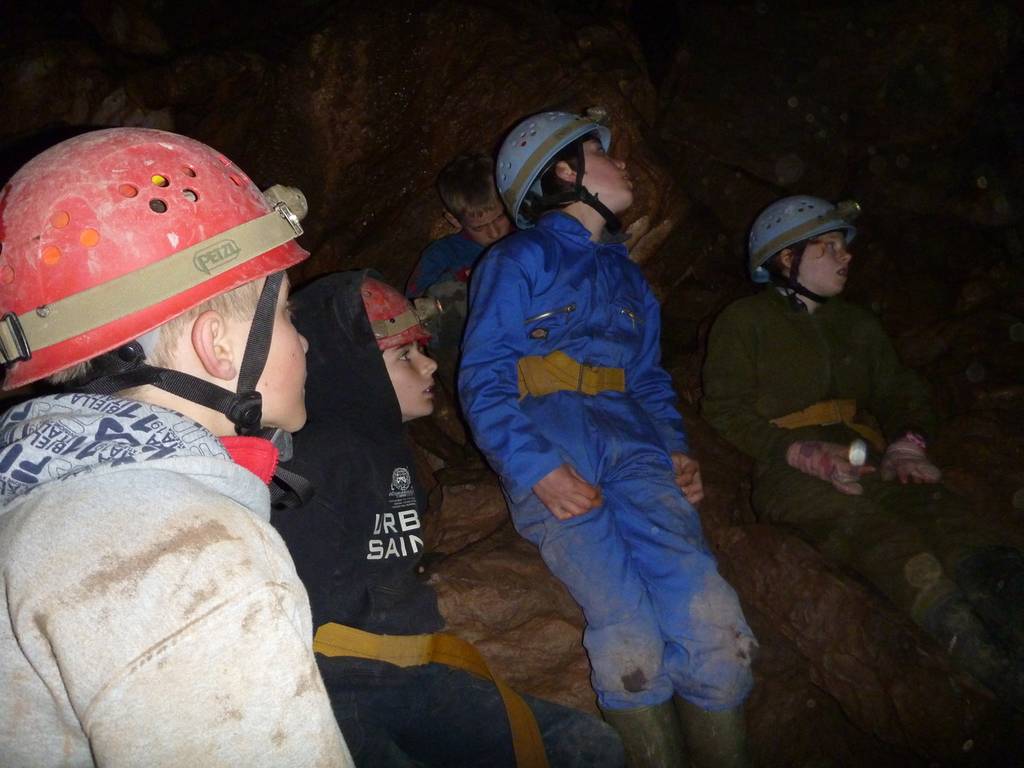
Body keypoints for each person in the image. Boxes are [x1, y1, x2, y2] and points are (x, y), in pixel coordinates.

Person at [0, 128, 352, 766]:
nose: (303, 344)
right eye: (286, 317)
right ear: (216, 346)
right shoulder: (197, 560)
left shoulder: (34, 492)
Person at [459, 110, 757, 767]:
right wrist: (535, 466)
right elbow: (482, 376)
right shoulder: (516, 258)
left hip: (633, 440)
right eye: (602, 152)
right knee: (627, 626)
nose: (623, 163)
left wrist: (675, 447)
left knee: (710, 613)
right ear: (563, 172)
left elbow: (647, 378)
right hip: (553, 438)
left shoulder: (629, 281)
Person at [272, 270, 624, 767]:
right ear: (355, 370)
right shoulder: (314, 465)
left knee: (588, 747)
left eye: (421, 349)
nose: (430, 363)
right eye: (404, 355)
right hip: (339, 686)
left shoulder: (386, 448)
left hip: (412, 671)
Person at [702, 194, 1024, 709]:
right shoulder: (745, 321)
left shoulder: (856, 325)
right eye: (827, 246)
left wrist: (907, 443)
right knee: (880, 537)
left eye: (843, 246)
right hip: (790, 473)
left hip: (868, 455)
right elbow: (724, 409)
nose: (845, 256)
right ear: (786, 258)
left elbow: (901, 391)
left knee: (948, 517)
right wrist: (800, 451)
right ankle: (990, 661)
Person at [405, 153, 513, 383]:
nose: (494, 233)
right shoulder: (444, 254)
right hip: (473, 352)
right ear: (454, 221)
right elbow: (415, 310)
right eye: (480, 227)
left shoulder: (526, 236)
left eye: (500, 218)